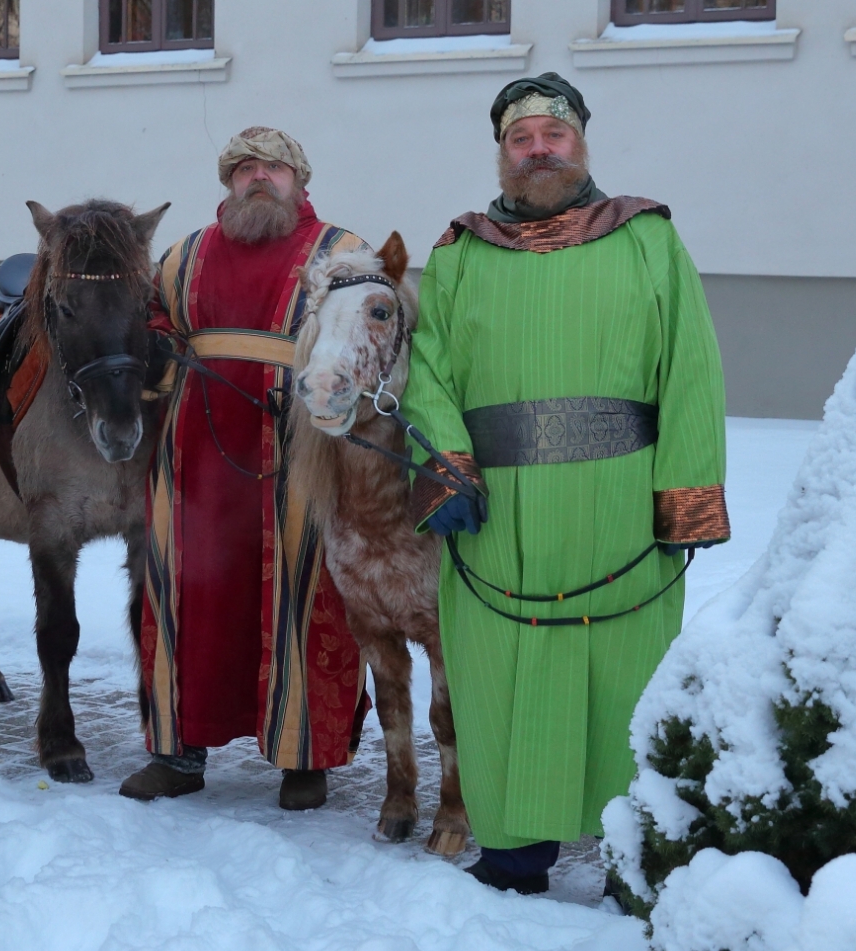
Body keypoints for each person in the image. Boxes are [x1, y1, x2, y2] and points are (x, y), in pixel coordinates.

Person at [402, 74, 730, 893]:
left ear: (580, 143)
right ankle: (513, 852)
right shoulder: (459, 253)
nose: (539, 148)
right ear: (503, 154)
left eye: (554, 134)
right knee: (499, 675)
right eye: (522, 138)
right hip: (499, 519)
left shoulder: (648, 239)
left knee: (624, 675)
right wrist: (447, 468)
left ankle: (634, 853)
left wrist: (685, 497)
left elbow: (691, 370)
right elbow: (428, 374)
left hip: (617, 513)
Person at [121, 127, 372, 810]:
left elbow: (370, 337)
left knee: (303, 592)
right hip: (195, 457)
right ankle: (177, 750)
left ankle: (305, 758)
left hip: (304, 454)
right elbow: (154, 327)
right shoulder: (185, 255)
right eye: (245, 169)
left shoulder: (343, 253)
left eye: (274, 168)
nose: (259, 178)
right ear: (229, 182)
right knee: (186, 593)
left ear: (300, 178)